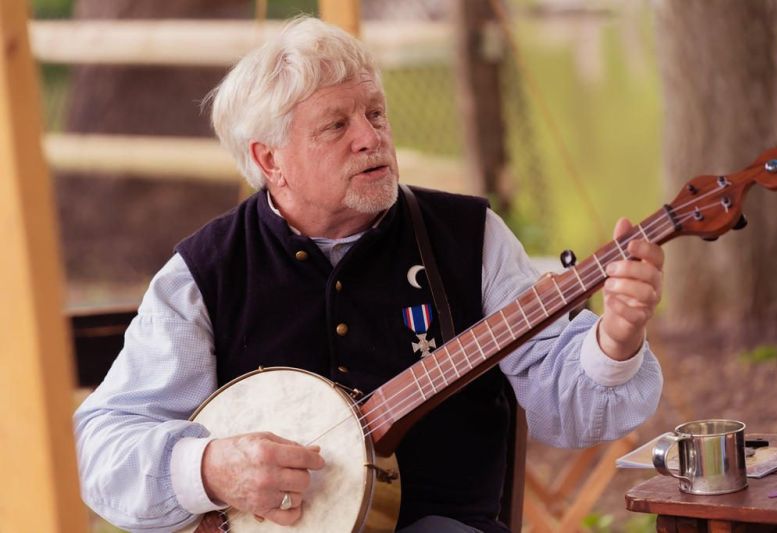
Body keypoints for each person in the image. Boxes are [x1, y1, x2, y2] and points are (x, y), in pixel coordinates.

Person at [74, 16, 664, 533]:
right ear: (268, 159)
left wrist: (616, 337)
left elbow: (564, 398)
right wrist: (208, 468)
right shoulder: (204, 274)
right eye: (336, 126)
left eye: (375, 113)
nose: (371, 137)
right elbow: (104, 446)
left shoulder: (468, 237)